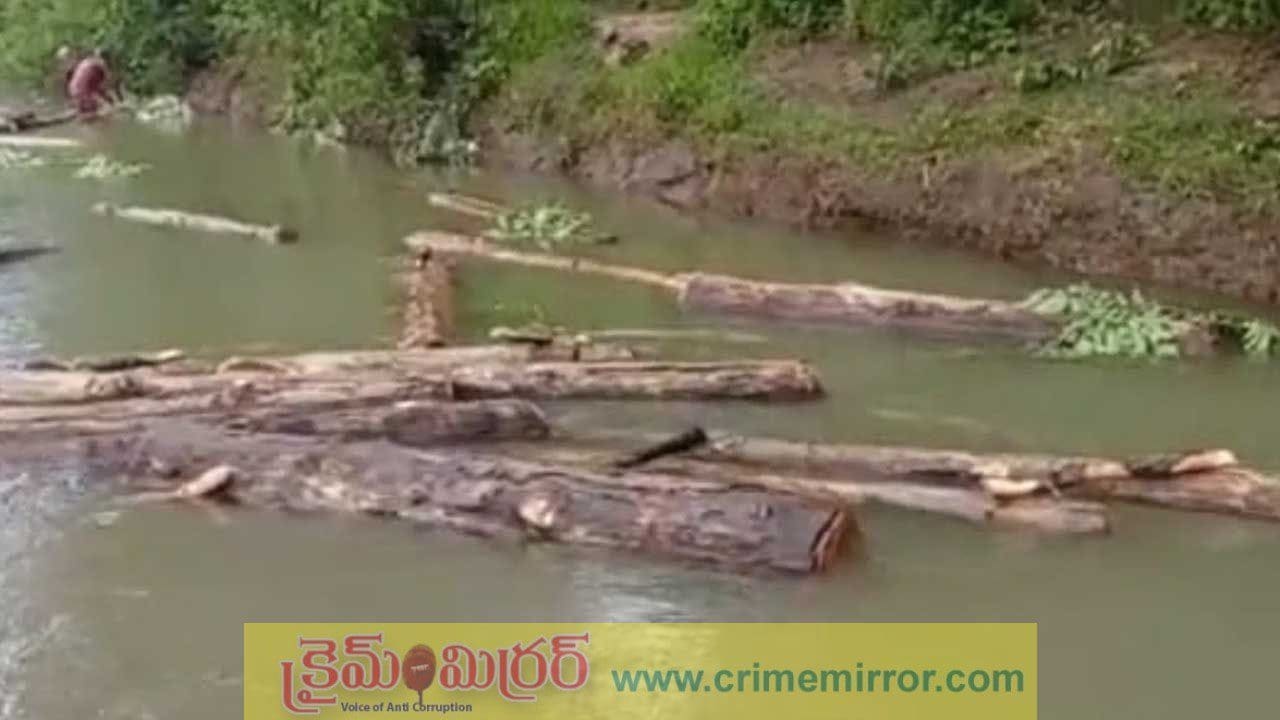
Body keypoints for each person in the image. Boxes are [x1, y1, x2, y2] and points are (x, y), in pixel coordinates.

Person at [60, 47, 118, 117]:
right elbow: (107, 85)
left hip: (73, 92)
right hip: (84, 93)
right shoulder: (101, 65)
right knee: (106, 112)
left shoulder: (87, 61)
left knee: (95, 106)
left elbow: (95, 86)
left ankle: (84, 111)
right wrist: (112, 102)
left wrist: (108, 99)